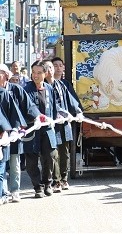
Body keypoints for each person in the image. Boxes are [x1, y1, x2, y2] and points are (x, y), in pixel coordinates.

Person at [43, 60, 82, 192]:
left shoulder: (62, 85)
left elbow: (71, 101)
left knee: (64, 152)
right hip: (51, 124)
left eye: (51, 67)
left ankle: (64, 179)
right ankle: (56, 180)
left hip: (64, 123)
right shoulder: (43, 87)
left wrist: (77, 111)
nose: (50, 70)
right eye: (48, 67)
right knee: (53, 153)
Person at [0, 63, 37, 203]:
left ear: (6, 76)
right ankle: (2, 192)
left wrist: (38, 116)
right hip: (1, 135)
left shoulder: (16, 89)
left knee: (15, 164)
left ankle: (15, 190)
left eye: (1, 73)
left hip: (14, 133)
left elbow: (29, 106)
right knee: (1, 165)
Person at [22, 61, 58, 198]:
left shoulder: (49, 89)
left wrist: (57, 117)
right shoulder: (26, 90)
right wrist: (34, 118)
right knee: (31, 160)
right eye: (34, 73)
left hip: (47, 128)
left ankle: (47, 184)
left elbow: (54, 108)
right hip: (32, 128)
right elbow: (24, 109)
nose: (35, 76)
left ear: (45, 73)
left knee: (50, 156)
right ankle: (37, 187)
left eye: (39, 73)